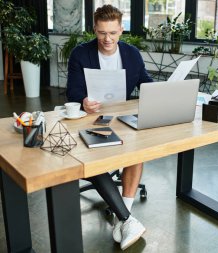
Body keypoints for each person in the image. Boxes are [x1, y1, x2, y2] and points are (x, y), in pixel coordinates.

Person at [66, 4, 152, 250]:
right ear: (95, 29)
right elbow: (72, 91)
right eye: (102, 33)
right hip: (92, 118)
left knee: (140, 148)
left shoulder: (132, 54)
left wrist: (159, 91)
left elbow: (145, 82)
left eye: (112, 33)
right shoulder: (81, 54)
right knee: (92, 158)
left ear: (121, 30)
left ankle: (124, 216)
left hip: (123, 116)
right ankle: (127, 219)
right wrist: (83, 100)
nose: (107, 39)